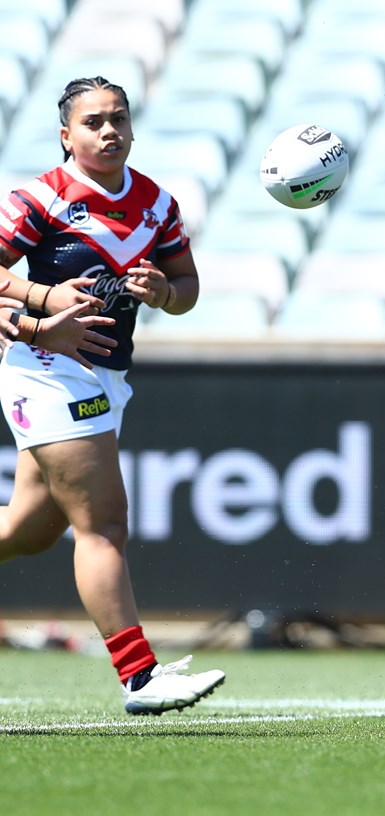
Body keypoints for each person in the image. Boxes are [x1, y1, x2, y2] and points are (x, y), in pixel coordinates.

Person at [0, 76, 225, 714]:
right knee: (103, 525)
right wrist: (45, 302)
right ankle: (140, 677)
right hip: (46, 367)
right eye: (93, 121)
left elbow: (187, 286)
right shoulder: (39, 197)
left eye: (118, 119)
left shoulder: (157, 204)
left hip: (106, 376)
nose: (109, 131)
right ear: (65, 135)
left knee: (27, 530)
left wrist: (162, 293)